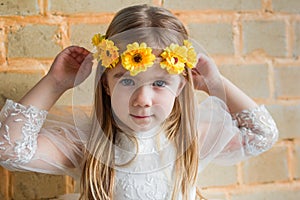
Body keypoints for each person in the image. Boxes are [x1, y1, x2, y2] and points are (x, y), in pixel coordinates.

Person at [0, 4, 278, 200]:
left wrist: (216, 84)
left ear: (180, 85)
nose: (143, 100)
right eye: (127, 80)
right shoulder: (89, 144)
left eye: (159, 83)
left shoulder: (190, 139)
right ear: (106, 84)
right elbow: (10, 149)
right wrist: (55, 83)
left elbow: (262, 135)